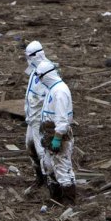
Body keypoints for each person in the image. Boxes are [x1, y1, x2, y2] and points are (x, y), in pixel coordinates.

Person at [36, 60, 76, 203]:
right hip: (49, 134)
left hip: (58, 136)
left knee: (62, 169)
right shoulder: (52, 89)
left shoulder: (59, 92)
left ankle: (68, 201)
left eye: (40, 77)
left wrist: (57, 137)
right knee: (48, 166)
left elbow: (62, 119)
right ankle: (56, 198)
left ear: (46, 75)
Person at [24, 41, 50, 186]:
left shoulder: (46, 71)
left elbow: (47, 97)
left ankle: (49, 181)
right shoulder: (34, 70)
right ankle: (39, 177)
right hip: (31, 117)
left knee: (41, 151)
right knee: (30, 145)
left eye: (30, 56)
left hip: (40, 118)